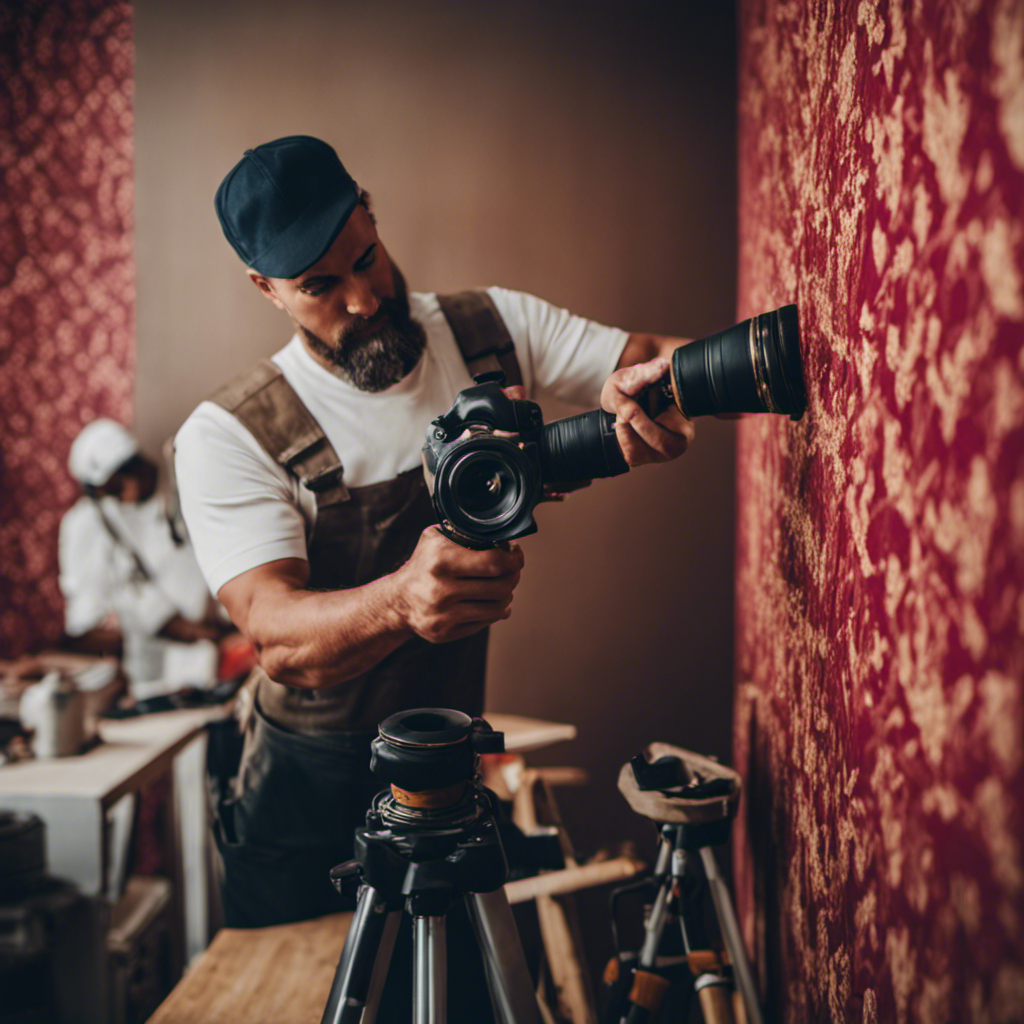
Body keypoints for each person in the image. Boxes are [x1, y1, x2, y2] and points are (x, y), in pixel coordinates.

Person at [174, 136, 694, 945]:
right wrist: (401, 600)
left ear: (372, 217)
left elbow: (655, 359)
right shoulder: (230, 436)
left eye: (366, 258)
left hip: (444, 769)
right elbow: (276, 635)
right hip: (306, 792)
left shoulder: (488, 329)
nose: (362, 299)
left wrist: (671, 386)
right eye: (318, 286)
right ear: (266, 290)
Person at [60, 418, 231, 699]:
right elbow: (122, 606)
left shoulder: (186, 481)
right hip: (161, 670)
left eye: (119, 484)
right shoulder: (100, 524)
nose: (123, 497)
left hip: (220, 643)